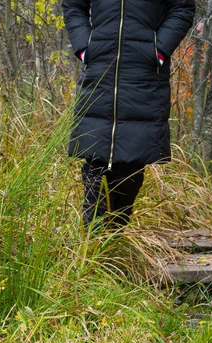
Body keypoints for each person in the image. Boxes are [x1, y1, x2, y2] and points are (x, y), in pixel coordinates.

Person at [62, 0, 195, 226]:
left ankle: (114, 237)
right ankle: (93, 244)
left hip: (143, 73)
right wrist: (85, 47)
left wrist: (159, 49)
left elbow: (182, 7)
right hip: (100, 69)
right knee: (94, 163)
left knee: (130, 168)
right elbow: (73, 5)